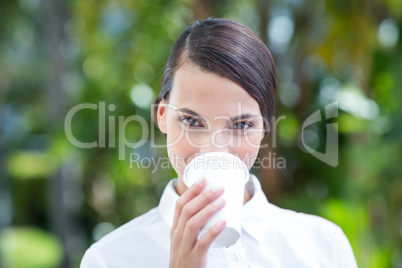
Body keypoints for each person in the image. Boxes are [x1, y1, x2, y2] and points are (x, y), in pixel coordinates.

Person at [80, 18, 358, 268]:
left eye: (240, 125)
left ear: (265, 128)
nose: (214, 149)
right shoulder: (109, 259)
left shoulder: (324, 247)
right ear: (162, 116)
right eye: (192, 122)